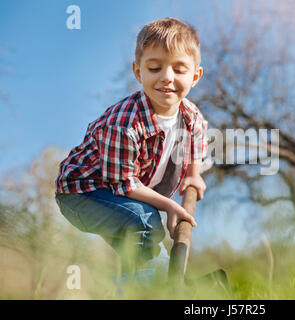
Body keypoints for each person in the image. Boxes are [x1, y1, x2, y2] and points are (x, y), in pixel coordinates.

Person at [54, 17, 208, 291]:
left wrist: (193, 176)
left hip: (118, 190)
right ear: (138, 72)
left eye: (179, 68)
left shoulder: (190, 115)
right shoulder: (125, 124)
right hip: (81, 194)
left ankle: (159, 289)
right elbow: (123, 184)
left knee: (150, 253)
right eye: (155, 67)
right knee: (146, 222)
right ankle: (131, 293)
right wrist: (171, 205)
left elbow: (198, 134)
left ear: (195, 76)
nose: (167, 77)